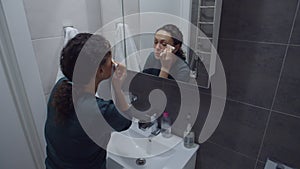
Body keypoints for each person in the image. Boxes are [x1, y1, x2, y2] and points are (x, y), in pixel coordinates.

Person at [44, 33, 132, 169]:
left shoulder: (60, 86)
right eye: (110, 59)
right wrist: (117, 87)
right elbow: (126, 120)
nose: (113, 62)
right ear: (101, 70)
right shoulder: (98, 111)